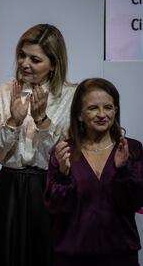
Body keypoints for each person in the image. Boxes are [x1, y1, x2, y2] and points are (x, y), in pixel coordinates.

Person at [0, 24, 77, 266]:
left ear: (54, 64)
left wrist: (41, 120)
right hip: (8, 188)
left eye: (35, 59)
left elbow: (64, 157)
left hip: (48, 189)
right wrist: (13, 123)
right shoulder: (4, 92)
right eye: (22, 55)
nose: (25, 63)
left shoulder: (71, 96)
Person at [44, 78, 143, 266]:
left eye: (108, 107)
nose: (102, 114)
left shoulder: (132, 149)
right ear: (80, 114)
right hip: (72, 258)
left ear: (115, 110)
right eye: (93, 108)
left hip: (120, 257)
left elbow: (134, 202)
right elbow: (55, 208)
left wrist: (122, 171)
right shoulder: (64, 151)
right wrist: (62, 176)